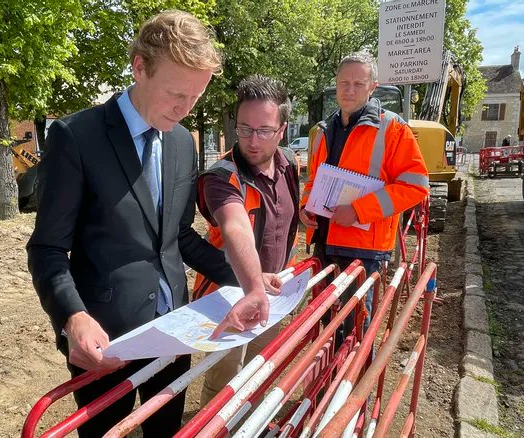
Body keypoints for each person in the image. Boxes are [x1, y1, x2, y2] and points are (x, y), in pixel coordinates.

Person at [26, 10, 241, 437]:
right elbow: (47, 249)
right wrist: (74, 318)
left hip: (175, 330)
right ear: (139, 67)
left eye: (195, 97)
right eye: (175, 93)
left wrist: (246, 277)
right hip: (107, 340)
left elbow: (177, 237)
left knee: (165, 429)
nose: (184, 108)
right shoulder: (76, 137)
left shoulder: (181, 141)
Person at [300, 51, 429, 343]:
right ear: (336, 84)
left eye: (358, 84)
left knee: (353, 332)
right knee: (324, 326)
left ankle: (357, 389)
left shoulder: (393, 128)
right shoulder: (323, 131)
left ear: (373, 86)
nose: (349, 90)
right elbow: (313, 180)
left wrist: (359, 210)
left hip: (363, 251)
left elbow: (416, 185)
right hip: (323, 241)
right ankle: (324, 390)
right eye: (344, 83)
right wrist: (305, 206)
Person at [192, 75, 301, 406]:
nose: (253, 141)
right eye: (244, 129)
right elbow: (235, 227)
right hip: (229, 297)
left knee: (261, 368)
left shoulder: (290, 163)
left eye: (264, 130)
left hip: (275, 290)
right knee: (225, 377)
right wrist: (253, 288)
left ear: (282, 130)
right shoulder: (221, 177)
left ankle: (249, 423)